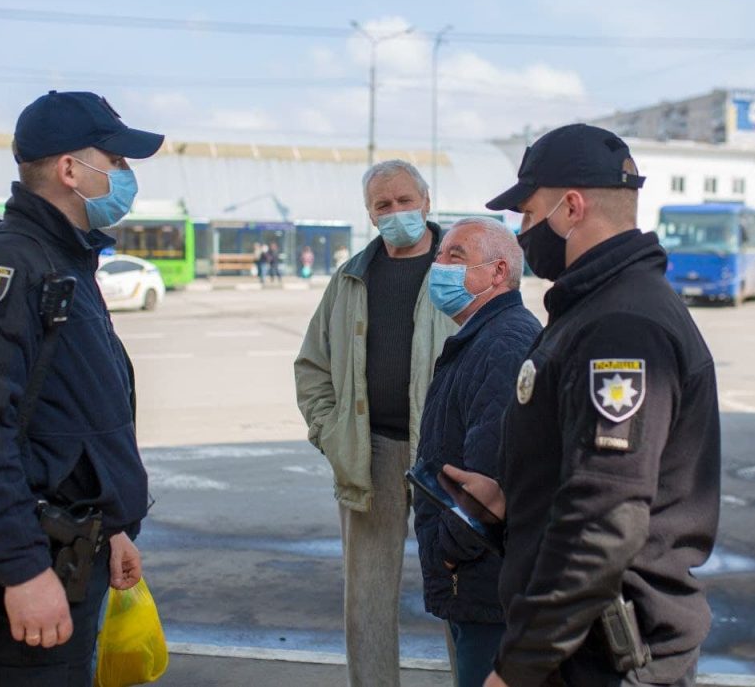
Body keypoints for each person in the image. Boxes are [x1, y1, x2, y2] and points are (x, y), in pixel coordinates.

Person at [444, 124, 721, 687]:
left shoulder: (620, 326)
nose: (522, 231)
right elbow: (587, 472)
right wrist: (513, 499)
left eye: (527, 212)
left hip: (600, 661)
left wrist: (519, 666)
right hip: (579, 650)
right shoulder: (592, 308)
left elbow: (604, 517)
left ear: (571, 207)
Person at [0, 90, 164, 685]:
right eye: (118, 161)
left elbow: (67, 418)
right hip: (33, 572)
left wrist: (114, 530)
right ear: (70, 170)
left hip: (77, 554)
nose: (128, 176)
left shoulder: (65, 263)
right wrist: (22, 571)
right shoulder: (6, 267)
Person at [295, 159, 455, 687]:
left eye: (405, 201)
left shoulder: (462, 267)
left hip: (448, 458)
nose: (396, 214)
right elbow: (312, 364)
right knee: (367, 596)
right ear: (369, 213)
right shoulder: (349, 278)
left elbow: (504, 350)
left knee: (463, 588)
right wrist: (329, 432)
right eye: (382, 206)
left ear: (427, 202)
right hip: (371, 452)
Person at [413, 217, 542, 687]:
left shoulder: (504, 343)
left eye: (456, 257)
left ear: (498, 272)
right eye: (440, 255)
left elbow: (489, 475)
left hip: (485, 579)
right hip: (477, 578)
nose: (438, 266)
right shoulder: (484, 335)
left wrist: (447, 554)